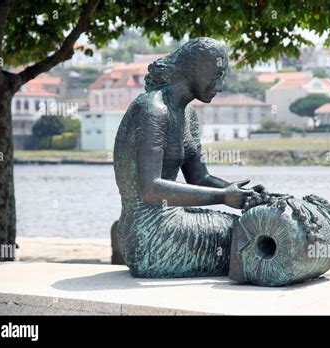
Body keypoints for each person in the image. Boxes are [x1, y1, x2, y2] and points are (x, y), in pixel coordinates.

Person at [114, 37, 265, 278]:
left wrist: (243, 195)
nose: (221, 85)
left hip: (175, 219)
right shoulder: (152, 109)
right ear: (193, 70)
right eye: (216, 75)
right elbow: (150, 189)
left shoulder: (188, 114)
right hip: (149, 239)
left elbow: (201, 178)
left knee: (256, 225)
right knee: (250, 237)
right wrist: (224, 197)